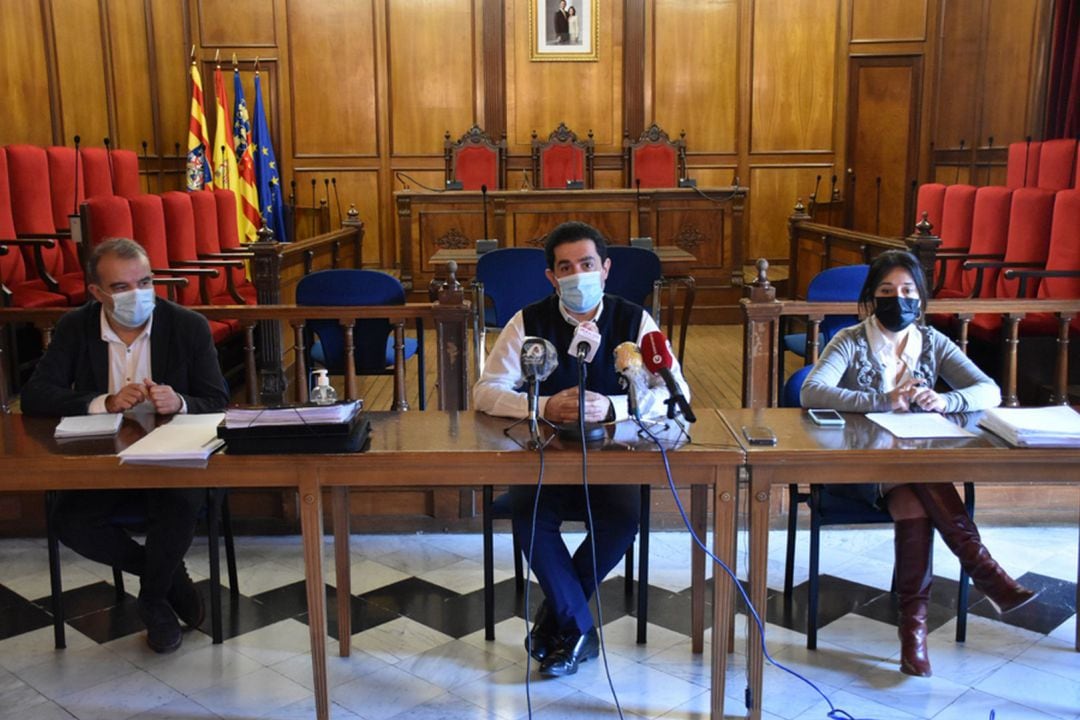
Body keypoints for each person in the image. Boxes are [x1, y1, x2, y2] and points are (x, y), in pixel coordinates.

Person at [800, 249, 1037, 678]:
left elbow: (989, 391)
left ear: (921, 297)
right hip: (859, 469)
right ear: (872, 296)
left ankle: (914, 634)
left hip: (913, 470)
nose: (899, 300)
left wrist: (945, 400)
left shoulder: (933, 342)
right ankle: (982, 572)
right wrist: (882, 400)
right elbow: (812, 391)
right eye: (887, 291)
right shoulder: (850, 340)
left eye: (908, 291)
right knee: (918, 479)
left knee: (913, 496)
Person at [474, 221, 689, 677]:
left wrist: (610, 406)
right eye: (565, 267)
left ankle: (561, 626)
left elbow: (675, 394)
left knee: (624, 518)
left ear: (605, 269)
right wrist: (544, 402)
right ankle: (578, 629)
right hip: (546, 460)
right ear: (552, 277)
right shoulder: (526, 322)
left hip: (612, 462)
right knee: (530, 517)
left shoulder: (635, 321)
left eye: (587, 264)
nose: (577, 275)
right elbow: (486, 391)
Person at [22, 238, 230, 654]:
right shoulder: (75, 327)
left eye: (146, 281)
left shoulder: (187, 325)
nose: (138, 294)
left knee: (180, 505)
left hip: (172, 459)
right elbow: (36, 396)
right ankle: (167, 578)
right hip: (105, 460)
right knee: (71, 521)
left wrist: (182, 402)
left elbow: (219, 400)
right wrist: (104, 402)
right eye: (121, 287)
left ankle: (153, 601)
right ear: (96, 292)